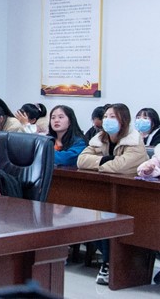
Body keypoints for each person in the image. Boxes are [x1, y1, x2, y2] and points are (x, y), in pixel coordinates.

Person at [78, 103, 148, 286]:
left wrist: (98, 163)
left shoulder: (135, 141)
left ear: (124, 121)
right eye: (106, 116)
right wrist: (105, 159)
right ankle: (108, 262)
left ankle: (110, 263)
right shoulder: (99, 138)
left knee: (108, 218)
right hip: (106, 193)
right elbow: (81, 160)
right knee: (93, 217)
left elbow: (120, 166)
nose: (107, 120)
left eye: (113, 117)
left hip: (134, 197)